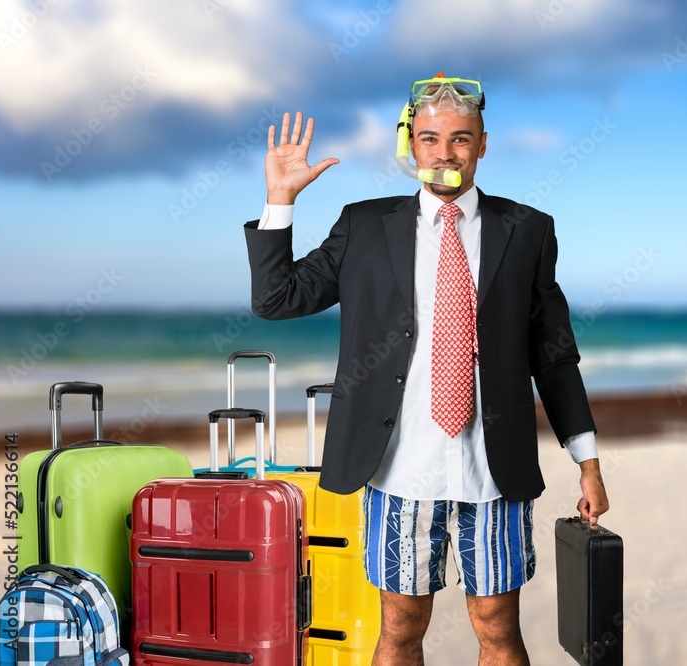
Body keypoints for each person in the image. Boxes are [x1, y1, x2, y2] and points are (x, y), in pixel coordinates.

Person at [243, 75, 609, 666]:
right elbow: (276, 298)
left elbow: (554, 354)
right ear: (410, 144)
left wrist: (587, 463)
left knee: (498, 629)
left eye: (461, 139)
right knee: (400, 628)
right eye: (431, 138)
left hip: (493, 470)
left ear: (483, 145)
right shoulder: (362, 225)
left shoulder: (529, 230)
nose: (445, 154)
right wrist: (280, 198)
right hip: (397, 468)